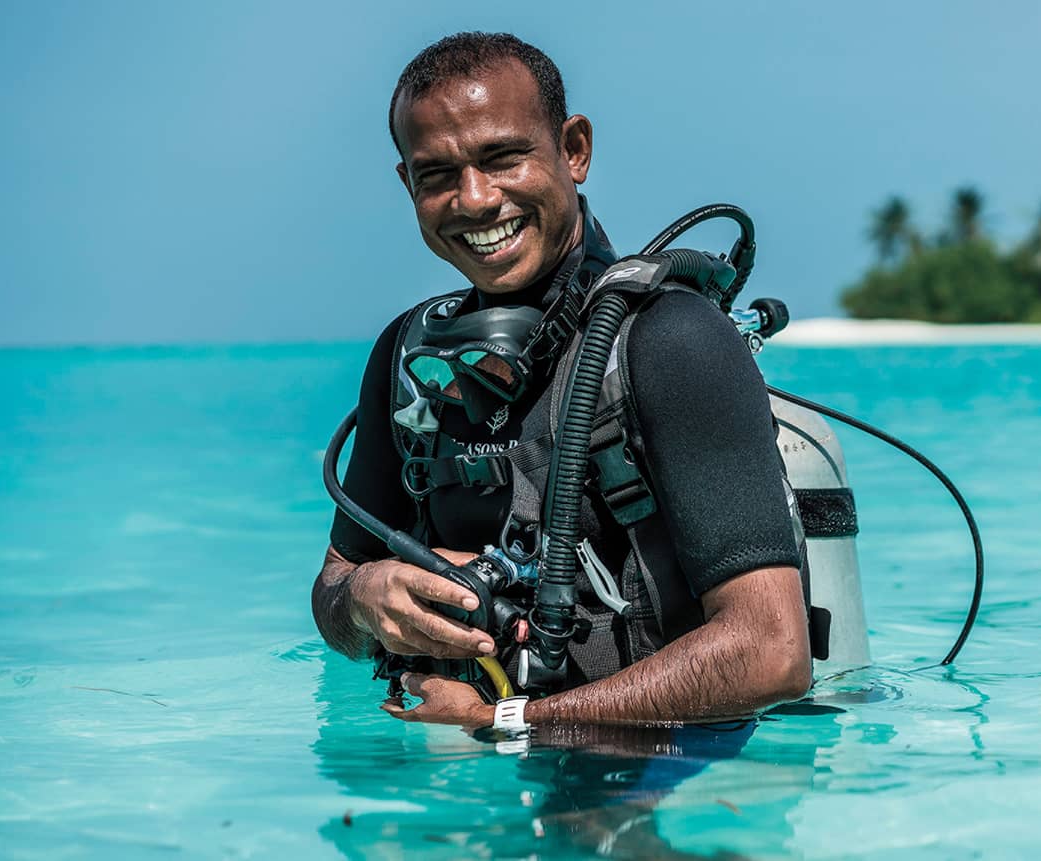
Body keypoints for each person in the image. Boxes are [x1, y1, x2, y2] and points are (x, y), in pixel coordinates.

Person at [311, 32, 811, 729]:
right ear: (408, 184)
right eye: (437, 174)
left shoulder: (674, 341)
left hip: (670, 774)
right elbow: (333, 585)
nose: (475, 200)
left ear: (573, 149)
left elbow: (772, 653)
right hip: (476, 777)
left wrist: (510, 722)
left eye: (502, 158)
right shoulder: (409, 361)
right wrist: (363, 596)